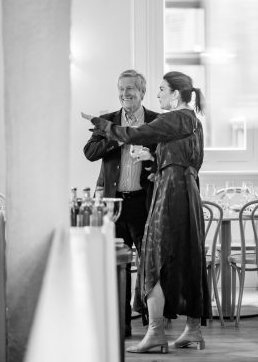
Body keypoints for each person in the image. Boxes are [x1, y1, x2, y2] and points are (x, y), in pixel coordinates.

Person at [81, 71, 211, 354]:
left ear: (175, 94)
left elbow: (132, 133)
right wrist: (155, 160)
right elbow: (189, 161)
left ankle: (155, 333)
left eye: (162, 89)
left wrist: (99, 122)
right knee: (188, 257)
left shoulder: (173, 118)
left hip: (170, 195)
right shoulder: (193, 122)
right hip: (187, 194)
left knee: (152, 260)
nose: (158, 94)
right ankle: (193, 331)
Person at [83, 69, 159, 337]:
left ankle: (152, 324)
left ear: (142, 92)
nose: (125, 93)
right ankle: (121, 324)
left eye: (130, 89)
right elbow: (89, 152)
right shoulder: (107, 121)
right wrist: (116, 138)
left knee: (150, 264)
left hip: (144, 203)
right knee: (118, 267)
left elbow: (164, 158)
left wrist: (151, 158)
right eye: (121, 89)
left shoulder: (156, 121)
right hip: (113, 206)